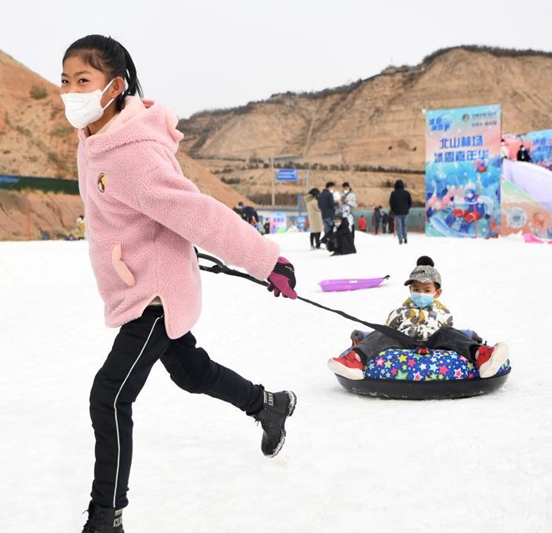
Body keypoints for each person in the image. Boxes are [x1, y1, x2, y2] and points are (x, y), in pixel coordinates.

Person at [60, 34, 298, 533]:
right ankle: (267, 404)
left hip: (155, 295)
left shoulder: (131, 154)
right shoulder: (94, 142)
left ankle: (106, 518)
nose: (70, 91)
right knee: (190, 372)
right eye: (65, 81)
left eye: (83, 80)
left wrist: (265, 260)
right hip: (136, 285)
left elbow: (196, 213)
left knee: (108, 396)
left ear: (115, 86)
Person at [327, 256, 509, 380]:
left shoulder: (443, 313)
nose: (420, 293)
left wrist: (471, 336)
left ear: (437, 293)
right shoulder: (399, 312)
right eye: (416, 289)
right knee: (387, 332)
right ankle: (355, 360)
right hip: (404, 343)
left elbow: (454, 334)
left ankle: (482, 356)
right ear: (410, 290)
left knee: (446, 332)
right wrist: (362, 336)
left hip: (434, 343)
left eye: (426, 290)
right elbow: (381, 335)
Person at [389, 179, 412, 244]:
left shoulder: (393, 193)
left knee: (399, 226)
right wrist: (407, 208)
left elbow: (391, 202)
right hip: (405, 212)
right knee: (404, 225)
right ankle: (405, 238)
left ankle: (400, 239)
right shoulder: (407, 193)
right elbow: (410, 202)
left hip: (397, 212)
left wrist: (393, 209)